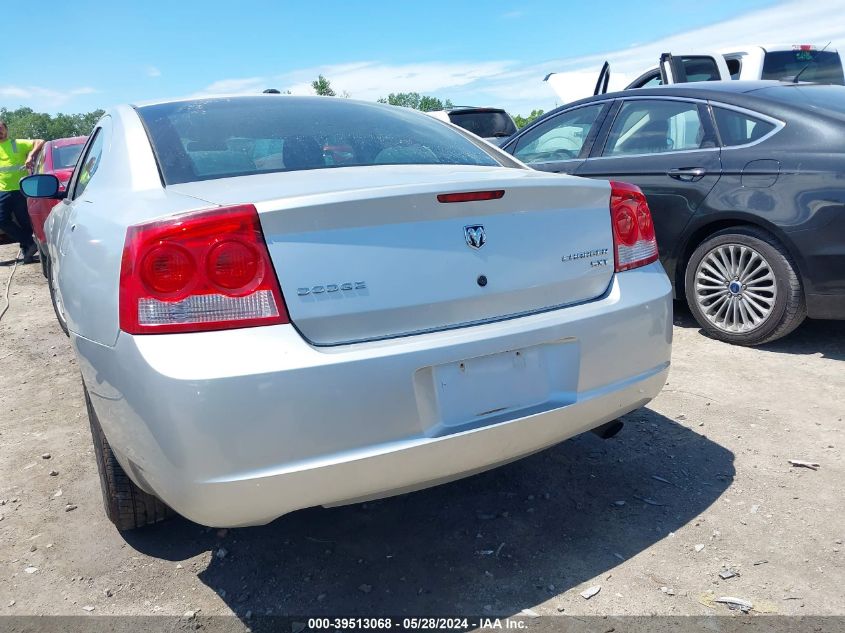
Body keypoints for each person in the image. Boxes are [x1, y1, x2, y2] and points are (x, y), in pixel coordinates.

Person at [0, 120, 44, 264]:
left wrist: (31, 155)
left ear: (6, 129)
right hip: (3, 190)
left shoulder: (16, 143)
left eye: (1, 129)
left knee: (24, 221)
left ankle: (28, 253)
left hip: (20, 189)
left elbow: (40, 141)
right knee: (2, 220)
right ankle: (30, 243)